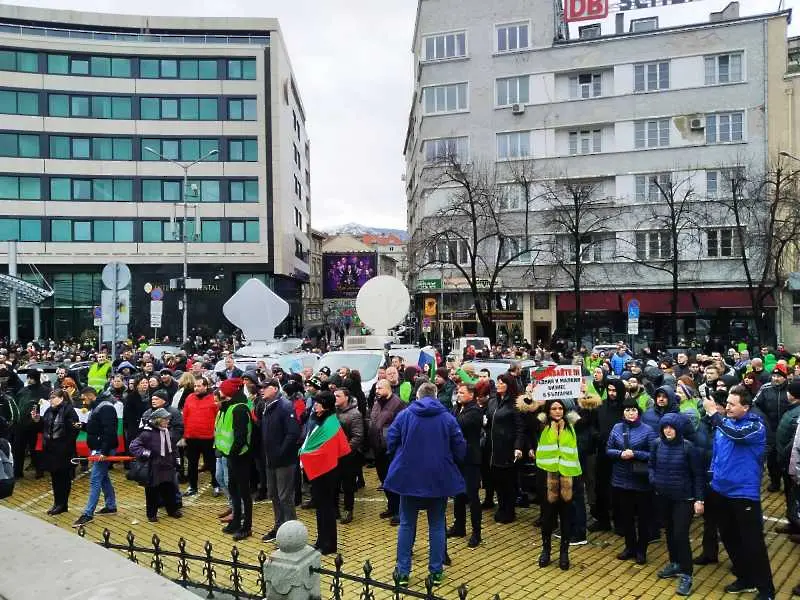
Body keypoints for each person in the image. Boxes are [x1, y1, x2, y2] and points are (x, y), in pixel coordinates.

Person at [384, 382, 466, 586]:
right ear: (436, 396)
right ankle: (436, 572)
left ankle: (403, 572)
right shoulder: (447, 417)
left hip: (409, 476)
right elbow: (459, 446)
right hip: (438, 477)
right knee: (437, 525)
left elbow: (391, 438)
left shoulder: (405, 415)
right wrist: (452, 460)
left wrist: (399, 455)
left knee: (406, 524)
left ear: (418, 396)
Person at [703, 385, 774, 600]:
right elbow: (717, 454)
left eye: (732, 404)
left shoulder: (755, 425)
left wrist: (714, 413)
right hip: (720, 490)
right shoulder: (725, 425)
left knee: (752, 542)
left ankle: (766, 589)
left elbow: (736, 435)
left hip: (743, 492)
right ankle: (745, 577)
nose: (728, 407)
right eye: (727, 403)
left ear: (746, 407)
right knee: (729, 537)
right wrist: (711, 476)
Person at [649, 413, 705, 597]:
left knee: (681, 535)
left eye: (671, 427)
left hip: (684, 499)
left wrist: (699, 499)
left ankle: (687, 575)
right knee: (670, 532)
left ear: (678, 429)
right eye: (665, 427)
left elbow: (698, 475)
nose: (668, 430)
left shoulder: (688, 448)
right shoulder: (657, 444)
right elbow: (651, 465)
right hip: (664, 496)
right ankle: (675, 563)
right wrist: (654, 479)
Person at [299, 391, 350, 555]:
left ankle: (329, 544)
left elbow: (327, 450)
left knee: (327, 508)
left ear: (326, 405)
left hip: (328, 472)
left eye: (318, 402)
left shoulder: (330, 423)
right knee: (320, 508)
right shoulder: (319, 420)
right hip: (320, 471)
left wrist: (306, 455)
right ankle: (321, 540)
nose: (315, 405)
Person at [606, 397, 656, 564]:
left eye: (633, 410)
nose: (630, 413)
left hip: (641, 481)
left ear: (638, 411)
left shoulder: (648, 430)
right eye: (627, 410)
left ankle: (642, 550)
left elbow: (653, 454)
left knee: (643, 518)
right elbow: (608, 449)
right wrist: (620, 454)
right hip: (620, 479)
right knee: (625, 517)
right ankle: (630, 547)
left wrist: (636, 454)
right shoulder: (617, 428)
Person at [535, 398, 582, 571]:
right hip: (547, 477)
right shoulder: (542, 424)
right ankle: (546, 550)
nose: (557, 411)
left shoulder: (572, 424)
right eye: (553, 408)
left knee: (567, 517)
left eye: (560, 408)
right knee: (547, 517)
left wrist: (584, 397)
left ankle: (564, 552)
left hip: (569, 477)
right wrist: (532, 399)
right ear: (548, 410)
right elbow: (526, 416)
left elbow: (588, 416)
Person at [259, 378, 300, 542]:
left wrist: (281, 452)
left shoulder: (285, 406)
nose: (262, 390)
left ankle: (291, 533)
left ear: (275, 389)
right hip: (270, 460)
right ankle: (279, 527)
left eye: (265, 387)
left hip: (284, 461)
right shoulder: (266, 407)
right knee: (274, 495)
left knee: (285, 497)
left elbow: (293, 433)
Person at [72, 387, 119, 527]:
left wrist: (103, 452)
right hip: (100, 447)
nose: (83, 402)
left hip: (103, 449)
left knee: (95, 479)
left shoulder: (105, 408)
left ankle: (88, 514)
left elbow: (110, 431)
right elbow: (98, 428)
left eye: (84, 398)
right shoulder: (99, 407)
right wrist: (84, 426)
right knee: (103, 478)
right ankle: (111, 505)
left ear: (90, 396)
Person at [129, 408, 183, 522]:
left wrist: (177, 461)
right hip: (153, 467)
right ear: (158, 420)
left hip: (167, 466)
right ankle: (151, 514)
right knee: (152, 492)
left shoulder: (168, 432)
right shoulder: (147, 434)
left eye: (168, 419)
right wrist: (148, 454)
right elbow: (134, 447)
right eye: (165, 419)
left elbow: (173, 448)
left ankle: (172, 510)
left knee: (170, 490)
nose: (168, 421)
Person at [216, 378, 253, 541]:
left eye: (222, 389)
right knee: (234, 490)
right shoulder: (227, 407)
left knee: (244, 493)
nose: (219, 392)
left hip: (240, 457)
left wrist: (232, 454)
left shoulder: (239, 409)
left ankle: (246, 527)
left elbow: (241, 437)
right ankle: (236, 521)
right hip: (230, 457)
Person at [32, 389, 79, 515]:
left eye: (53, 397)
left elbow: (74, 430)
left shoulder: (69, 410)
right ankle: (57, 502)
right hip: (50, 449)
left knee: (63, 477)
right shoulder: (48, 411)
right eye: (50, 397)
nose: (51, 400)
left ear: (61, 398)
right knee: (54, 477)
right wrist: (37, 420)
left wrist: (65, 445)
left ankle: (63, 504)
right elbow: (44, 427)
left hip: (63, 450)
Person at [448, 382, 483, 547]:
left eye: (462, 392)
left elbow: (457, 424)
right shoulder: (457, 408)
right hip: (458, 458)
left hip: (471, 459)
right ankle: (459, 526)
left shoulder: (475, 411)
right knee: (458, 494)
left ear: (471, 395)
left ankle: (477, 532)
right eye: (458, 392)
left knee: (472, 495)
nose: (459, 394)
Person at [488, 373, 524, 524]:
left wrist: (518, 446)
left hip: (507, 448)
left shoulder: (514, 404)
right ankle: (501, 507)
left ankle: (509, 511)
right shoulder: (495, 402)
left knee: (507, 482)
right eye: (498, 382)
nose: (498, 385)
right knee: (497, 481)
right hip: (494, 449)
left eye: (502, 383)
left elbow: (520, 428)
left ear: (509, 386)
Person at [368, 378, 404, 525]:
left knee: (395, 480)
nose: (377, 391)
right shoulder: (377, 404)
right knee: (385, 480)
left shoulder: (398, 404)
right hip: (378, 448)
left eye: (380, 388)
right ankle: (391, 506)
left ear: (389, 389)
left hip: (391, 449)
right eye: (376, 388)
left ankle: (399, 512)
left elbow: (400, 426)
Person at [754, 365, 791, 492]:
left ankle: (788, 483)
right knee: (772, 458)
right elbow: (755, 404)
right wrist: (763, 419)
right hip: (770, 428)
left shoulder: (791, 389)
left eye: (779, 376)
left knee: (787, 456)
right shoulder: (765, 388)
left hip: (787, 429)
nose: (775, 379)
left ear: (785, 378)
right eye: (774, 376)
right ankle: (775, 481)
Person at [181, 376, 219, 496]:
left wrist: (216, 434)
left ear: (206, 386)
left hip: (208, 437)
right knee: (192, 464)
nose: (196, 388)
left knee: (212, 463)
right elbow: (185, 416)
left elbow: (218, 417)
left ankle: (216, 485)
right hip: (192, 437)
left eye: (199, 386)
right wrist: (184, 435)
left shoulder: (214, 399)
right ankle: (192, 486)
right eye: (195, 386)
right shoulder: (189, 398)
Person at [334, 386, 363, 525]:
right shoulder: (333, 412)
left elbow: (357, 436)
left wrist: (346, 450)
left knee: (348, 484)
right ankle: (335, 509)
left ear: (346, 397)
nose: (336, 398)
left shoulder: (354, 414)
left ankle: (348, 509)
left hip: (348, 456)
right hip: (334, 454)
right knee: (334, 482)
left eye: (338, 396)